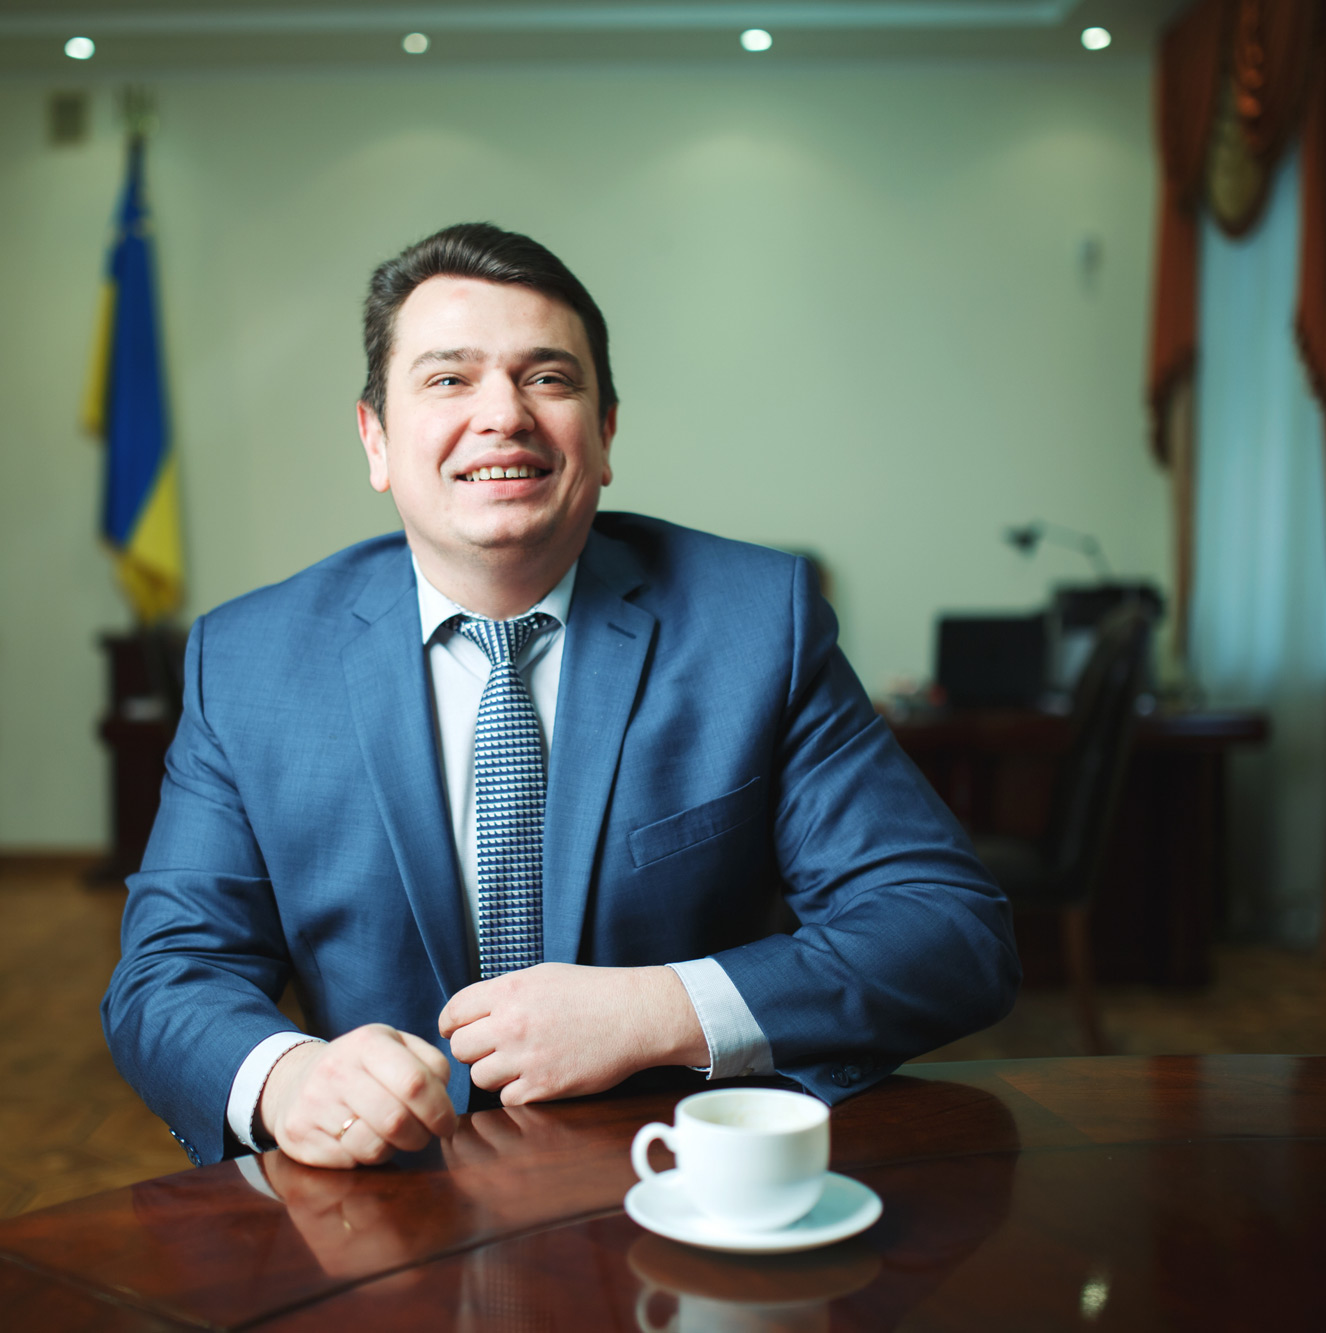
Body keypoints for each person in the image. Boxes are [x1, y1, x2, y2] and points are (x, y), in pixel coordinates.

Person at [102, 223, 1018, 1171]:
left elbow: (947, 928)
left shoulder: (756, 624)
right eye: (449, 379)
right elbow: (168, 974)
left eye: (547, 377)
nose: (504, 414)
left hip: (678, 1180)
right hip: (385, 1198)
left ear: (605, 432)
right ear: (376, 438)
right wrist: (291, 1077)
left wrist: (660, 1007)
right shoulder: (247, 661)